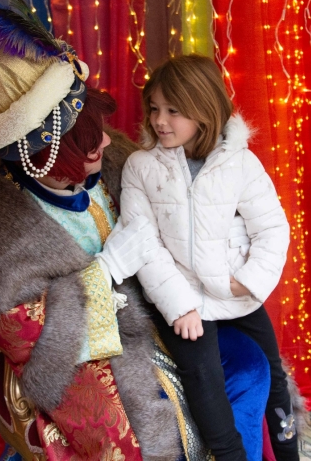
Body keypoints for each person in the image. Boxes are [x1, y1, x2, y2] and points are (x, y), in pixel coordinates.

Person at [0, 0, 271, 461]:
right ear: (43, 153)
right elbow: (41, 357)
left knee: (252, 365)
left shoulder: (122, 161)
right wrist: (103, 274)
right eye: (86, 139)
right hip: (93, 362)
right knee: (136, 442)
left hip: (164, 310)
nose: (108, 139)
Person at [120, 54, 298, 461]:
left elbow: (272, 227)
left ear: (203, 111)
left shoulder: (240, 163)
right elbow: (144, 244)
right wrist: (179, 307)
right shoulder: (141, 167)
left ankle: (290, 455)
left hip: (233, 290)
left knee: (274, 375)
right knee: (204, 377)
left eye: (173, 111)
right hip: (183, 299)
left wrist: (248, 280)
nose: (159, 120)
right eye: (154, 109)